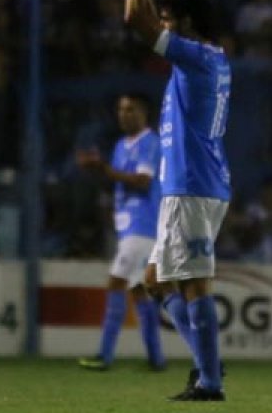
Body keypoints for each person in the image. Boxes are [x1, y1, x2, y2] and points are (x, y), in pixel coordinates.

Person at [123, 0, 231, 401]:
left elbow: (135, 19)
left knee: (192, 284)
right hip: (190, 185)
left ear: (186, 22)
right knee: (155, 282)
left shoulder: (198, 58)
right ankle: (209, 363)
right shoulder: (206, 60)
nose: (162, 24)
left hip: (191, 185)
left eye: (169, 17)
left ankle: (209, 381)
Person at [74, 94, 165, 372]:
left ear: (144, 113)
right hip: (128, 227)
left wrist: (103, 168)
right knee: (138, 292)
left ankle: (105, 355)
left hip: (143, 225)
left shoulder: (150, 142)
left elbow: (142, 181)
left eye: (131, 109)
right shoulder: (119, 146)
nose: (124, 114)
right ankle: (156, 358)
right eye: (120, 110)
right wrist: (98, 170)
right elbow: (117, 179)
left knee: (116, 284)